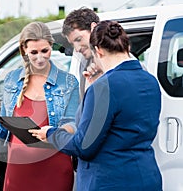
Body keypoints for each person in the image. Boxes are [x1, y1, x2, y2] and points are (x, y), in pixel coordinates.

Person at [30, 20, 162, 190]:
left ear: (98, 51)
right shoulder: (150, 81)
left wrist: (51, 133)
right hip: (147, 177)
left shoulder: (104, 88)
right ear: (126, 47)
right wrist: (93, 87)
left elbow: (84, 146)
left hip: (110, 182)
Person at [0, 21, 80, 191]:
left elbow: (72, 123)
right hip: (18, 170)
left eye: (45, 51)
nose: (40, 57)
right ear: (24, 51)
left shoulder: (68, 82)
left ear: (51, 45)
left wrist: (51, 132)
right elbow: (3, 128)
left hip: (55, 168)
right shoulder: (12, 79)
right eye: (33, 52)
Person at [62, 7, 102, 98]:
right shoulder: (83, 63)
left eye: (79, 39)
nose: (77, 49)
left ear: (93, 28)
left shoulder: (121, 60)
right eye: (72, 44)